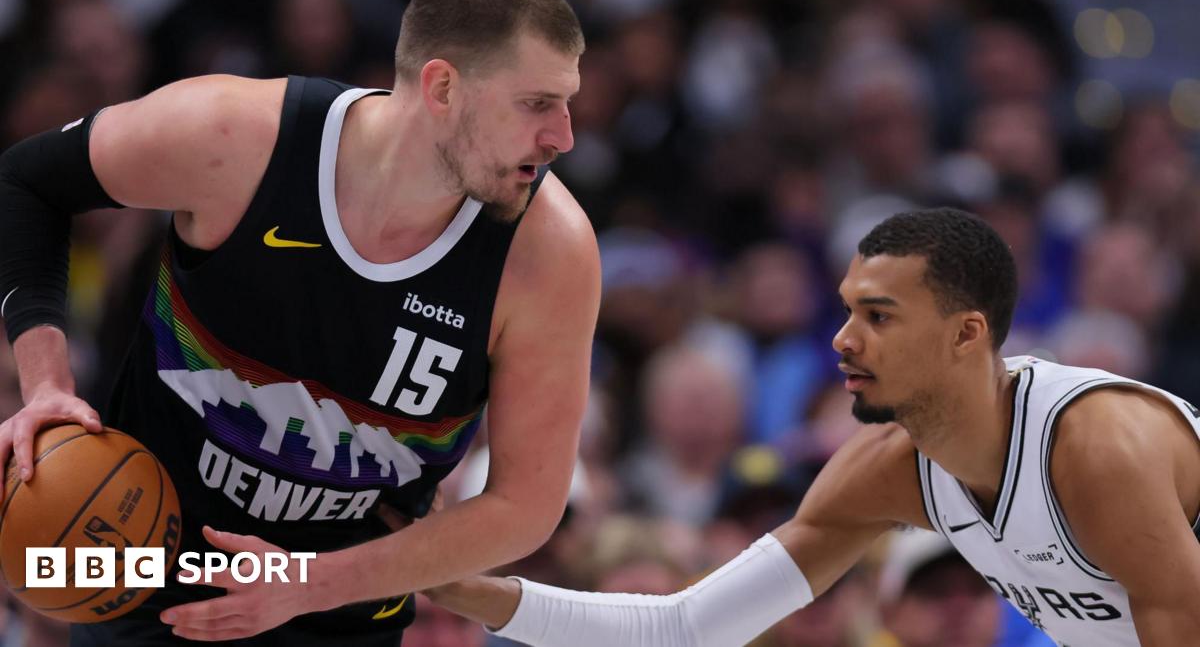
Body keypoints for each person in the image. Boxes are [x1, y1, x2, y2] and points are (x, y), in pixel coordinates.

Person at [0, 0, 599, 644]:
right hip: (143, 559)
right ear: (442, 88)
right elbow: (28, 181)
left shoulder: (548, 254)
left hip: (342, 603)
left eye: (567, 102)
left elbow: (525, 505)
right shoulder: (239, 138)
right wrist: (46, 384)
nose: (564, 136)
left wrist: (311, 584)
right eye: (538, 103)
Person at [425, 208, 1200, 646]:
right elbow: (685, 625)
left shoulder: (1099, 450)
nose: (843, 338)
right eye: (846, 309)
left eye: (878, 316)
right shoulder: (891, 470)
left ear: (967, 335)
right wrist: (471, 591)